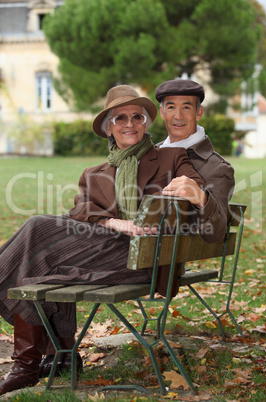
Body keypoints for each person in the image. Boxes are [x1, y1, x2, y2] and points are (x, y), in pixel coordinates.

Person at [0, 85, 205, 396]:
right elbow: (80, 208)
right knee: (39, 263)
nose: (129, 124)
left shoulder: (172, 158)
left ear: (146, 122)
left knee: (38, 228)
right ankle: (49, 358)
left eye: (137, 116)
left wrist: (189, 191)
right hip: (107, 252)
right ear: (109, 126)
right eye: (120, 118)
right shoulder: (94, 173)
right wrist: (114, 222)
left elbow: (194, 190)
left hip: (149, 258)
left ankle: (38, 361)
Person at [155, 79, 235, 243]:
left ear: (199, 112)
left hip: (158, 262)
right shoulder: (151, 153)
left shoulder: (217, 167)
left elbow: (216, 233)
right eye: (171, 107)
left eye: (186, 107)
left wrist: (202, 199)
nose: (178, 116)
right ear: (162, 113)